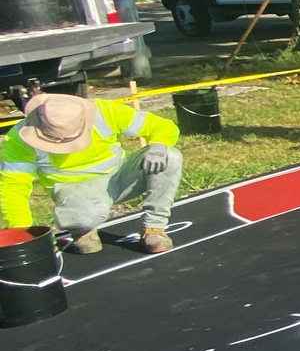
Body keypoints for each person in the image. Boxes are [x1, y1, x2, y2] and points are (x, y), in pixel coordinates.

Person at [1, 93, 181, 254]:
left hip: (119, 175)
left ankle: (154, 227)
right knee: (82, 217)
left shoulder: (104, 111)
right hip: (75, 191)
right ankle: (83, 230)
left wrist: (158, 145)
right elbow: (13, 190)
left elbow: (163, 126)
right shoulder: (18, 140)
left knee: (170, 157)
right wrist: (23, 236)